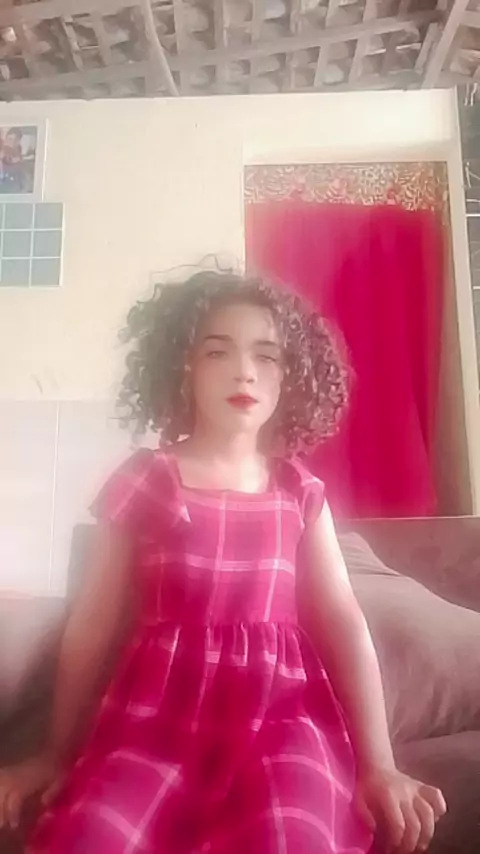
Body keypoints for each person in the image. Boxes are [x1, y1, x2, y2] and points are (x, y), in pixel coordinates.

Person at [0, 271, 446, 853]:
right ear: (183, 365)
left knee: (293, 840)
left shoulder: (300, 491)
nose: (244, 371)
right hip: (153, 729)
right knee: (90, 839)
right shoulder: (145, 479)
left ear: (293, 375)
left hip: (282, 724)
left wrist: (379, 766)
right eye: (218, 351)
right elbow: (94, 624)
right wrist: (54, 755)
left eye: (267, 356)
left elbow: (342, 621)